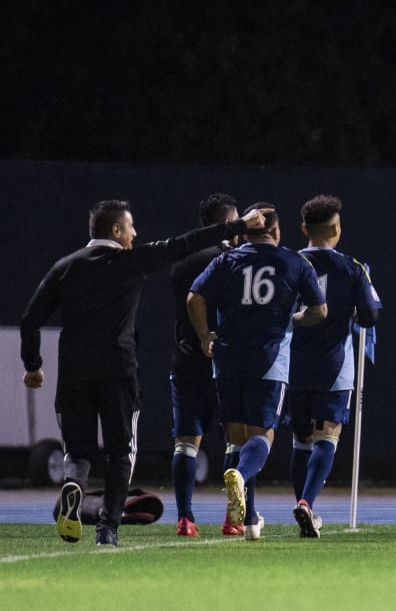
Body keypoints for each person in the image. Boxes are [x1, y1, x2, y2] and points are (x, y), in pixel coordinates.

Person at [19, 199, 270, 547]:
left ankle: (74, 486)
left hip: (74, 372)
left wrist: (33, 366)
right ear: (117, 230)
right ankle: (107, 528)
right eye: (131, 227)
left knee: (77, 452)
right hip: (119, 371)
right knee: (122, 452)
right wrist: (236, 227)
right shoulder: (130, 262)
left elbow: (31, 320)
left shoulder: (64, 267)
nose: (136, 233)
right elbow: (183, 244)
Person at [187, 202, 326, 541]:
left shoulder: (227, 260)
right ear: (277, 232)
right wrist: (295, 319)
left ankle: (247, 523)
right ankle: (239, 476)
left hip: (228, 359)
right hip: (268, 360)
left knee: (236, 439)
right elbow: (319, 310)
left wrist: (205, 335)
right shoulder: (294, 261)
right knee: (262, 437)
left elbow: (194, 298)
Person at [290, 195, 381, 538]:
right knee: (327, 435)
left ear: (304, 229)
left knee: (299, 441)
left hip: (292, 366)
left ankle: (302, 502)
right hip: (333, 365)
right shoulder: (352, 267)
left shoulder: (290, 262)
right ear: (336, 229)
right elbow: (370, 316)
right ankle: (306, 503)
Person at [169, 193, 241, 538]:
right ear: (229, 223)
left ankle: (185, 518)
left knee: (186, 443)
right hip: (227, 363)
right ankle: (233, 519)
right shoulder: (235, 261)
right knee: (235, 441)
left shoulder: (182, 262)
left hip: (186, 362)